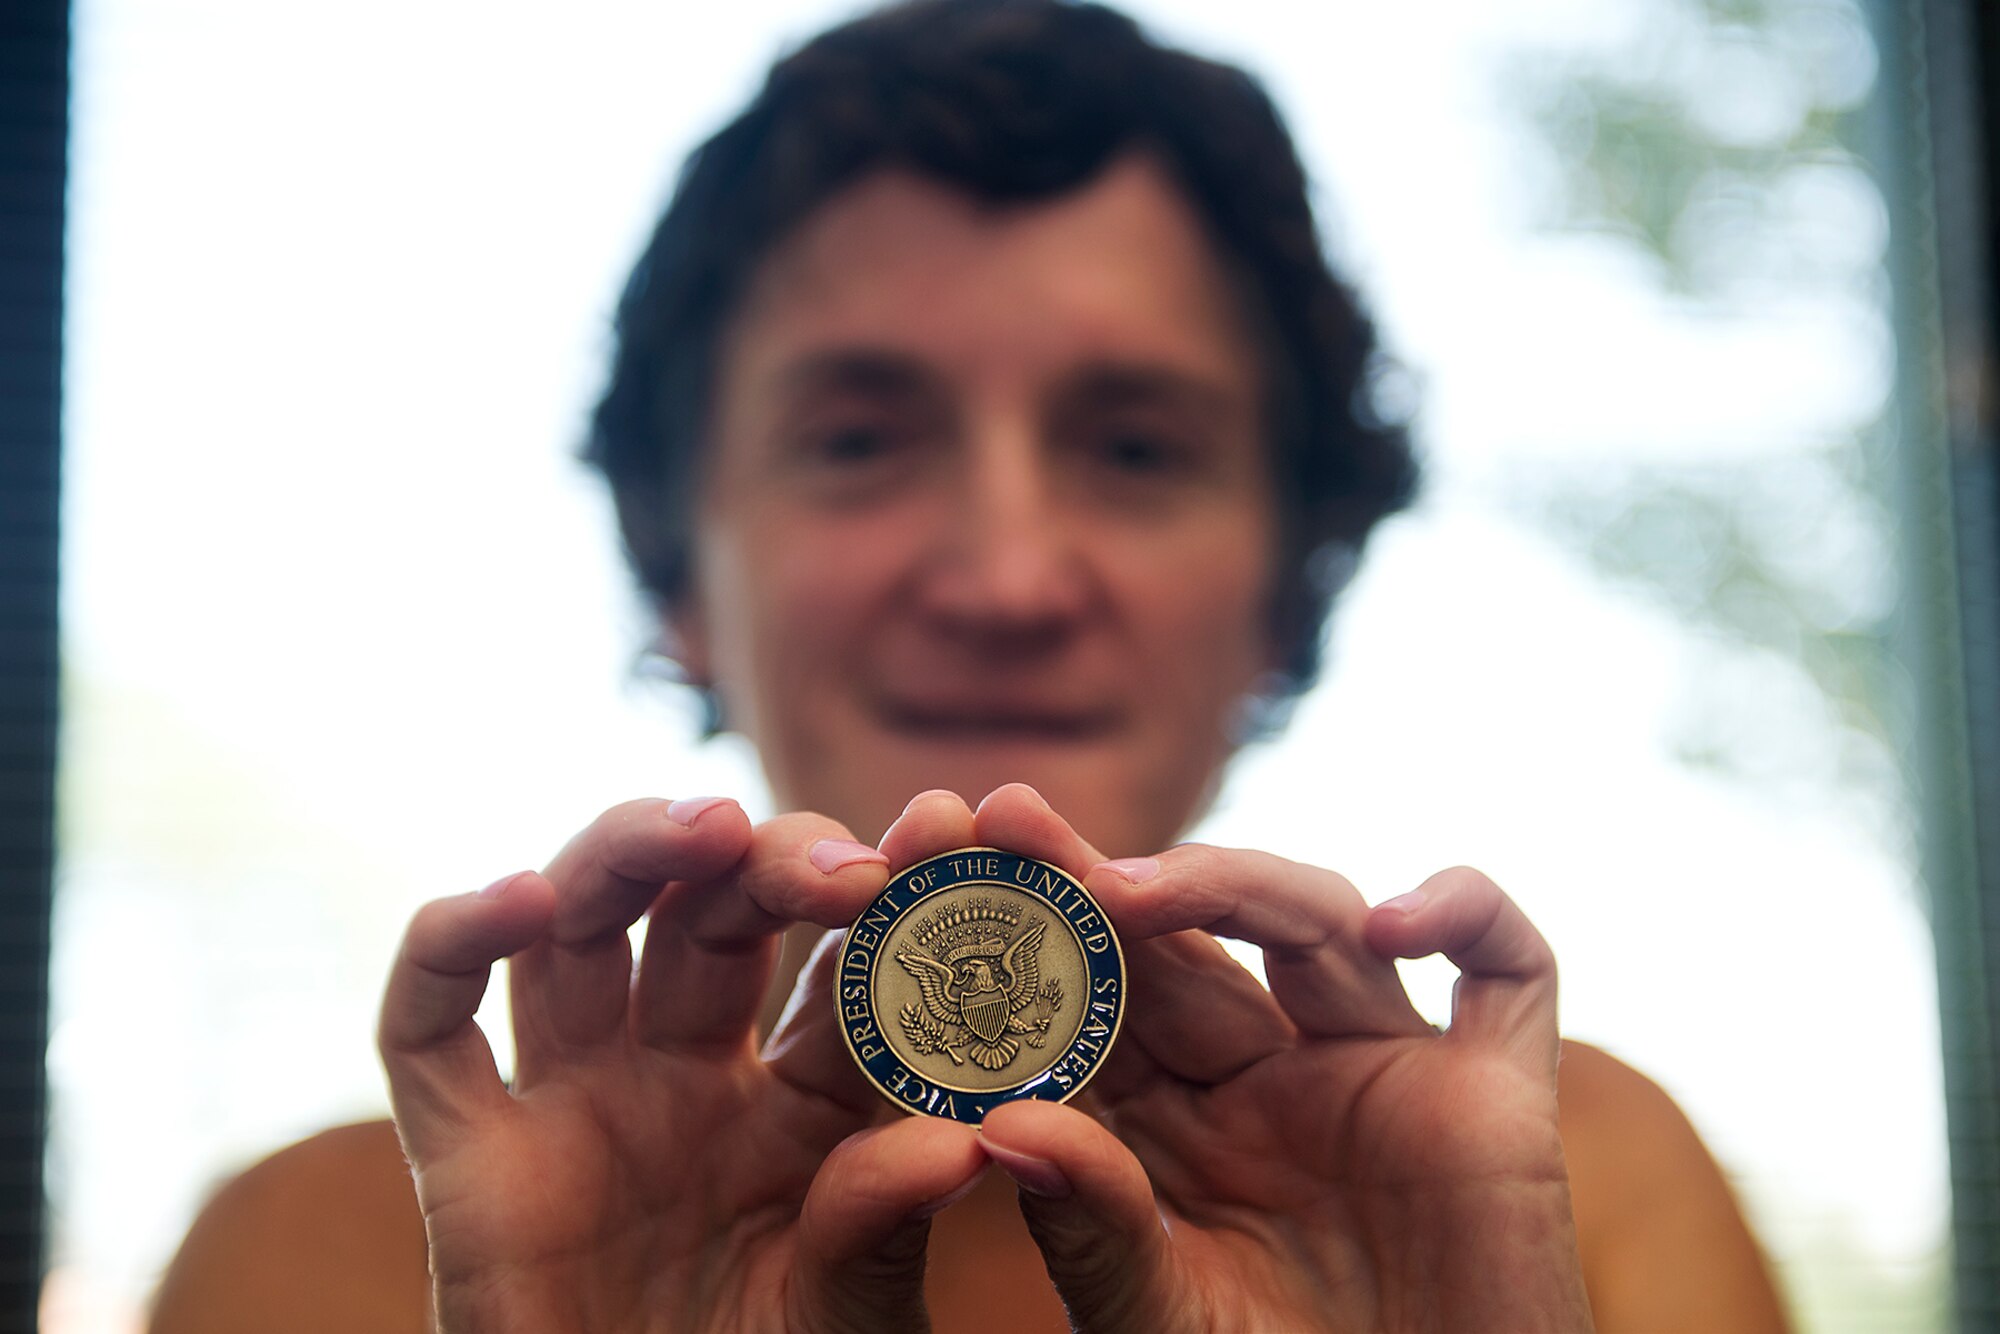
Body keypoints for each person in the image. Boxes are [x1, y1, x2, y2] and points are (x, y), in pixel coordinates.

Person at [149, 2, 1792, 1330]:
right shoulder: (321, 1260)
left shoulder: (1570, 1194)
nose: (1006, 576)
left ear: (1282, 585)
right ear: (681, 570)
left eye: (1138, 448)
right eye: (858, 438)